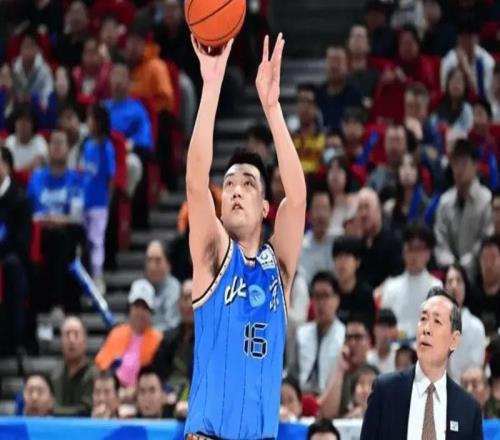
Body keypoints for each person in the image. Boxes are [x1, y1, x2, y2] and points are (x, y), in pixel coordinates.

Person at [184, 32, 306, 439]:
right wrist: (212, 84)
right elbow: (195, 182)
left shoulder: (278, 269)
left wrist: (272, 108)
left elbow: (298, 199)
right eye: (230, 184)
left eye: (248, 184)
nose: (236, 190)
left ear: (266, 208)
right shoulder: (213, 256)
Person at [360, 288, 483, 439]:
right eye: (423, 319)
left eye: (437, 321)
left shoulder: (469, 409)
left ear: (454, 340)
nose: (426, 329)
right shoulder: (384, 391)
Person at [434, 138, 492, 276]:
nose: (459, 169)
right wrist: (452, 265)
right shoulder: (445, 201)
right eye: (455, 164)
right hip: (449, 271)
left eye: (464, 163)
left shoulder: (486, 199)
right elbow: (440, 239)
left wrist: (465, 265)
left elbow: (486, 238)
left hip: (479, 271)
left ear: (475, 165)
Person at [95, 279, 163, 388]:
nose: (140, 312)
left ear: (151, 311)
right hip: (112, 389)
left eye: (145, 307)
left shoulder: (159, 339)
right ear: (129, 308)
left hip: (143, 392)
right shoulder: (116, 333)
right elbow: (101, 365)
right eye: (136, 306)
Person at [380, 222, 442, 339]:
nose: (414, 255)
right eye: (410, 248)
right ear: (403, 252)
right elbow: (384, 327)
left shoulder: (436, 287)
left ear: (428, 253)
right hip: (396, 346)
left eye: (419, 249)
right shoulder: (391, 286)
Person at [0, 146, 32, 356]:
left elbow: (22, 242)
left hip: (10, 258)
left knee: (13, 266)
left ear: (6, 166)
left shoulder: (19, 198)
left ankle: (15, 341)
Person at [81, 103, 116, 291]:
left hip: (99, 203)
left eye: (91, 118)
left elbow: (111, 177)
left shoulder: (107, 147)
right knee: (86, 243)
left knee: (97, 241)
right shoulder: (87, 146)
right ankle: (86, 280)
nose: (88, 122)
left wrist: (107, 201)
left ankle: (98, 277)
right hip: (84, 202)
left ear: (99, 121)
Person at [294, 271, 345, 395]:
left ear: (337, 300)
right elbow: (292, 372)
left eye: (325, 296)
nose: (320, 303)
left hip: (330, 397)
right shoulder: (301, 334)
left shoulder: (344, 336)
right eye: (316, 296)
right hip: (301, 396)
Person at [151, 278, 194, 405]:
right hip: (167, 397)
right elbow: (157, 372)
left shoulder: (211, 339)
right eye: (185, 298)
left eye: (193, 297)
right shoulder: (169, 338)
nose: (189, 304)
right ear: (179, 303)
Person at [445, 264, 485, 382]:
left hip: (467, 389)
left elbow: (475, 369)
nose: (454, 286)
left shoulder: (476, 327)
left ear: (465, 287)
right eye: (450, 281)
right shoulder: (435, 326)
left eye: (459, 280)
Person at [51, 316, 95, 416]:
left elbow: (87, 409)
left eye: (76, 334)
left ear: (85, 341)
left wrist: (54, 410)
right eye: (67, 335)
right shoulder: (55, 375)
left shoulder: (94, 374)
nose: (71, 340)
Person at [332, 236, 375, 330]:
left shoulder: (365, 294)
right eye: (338, 257)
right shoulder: (329, 291)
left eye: (347, 257)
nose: (342, 263)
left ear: (357, 262)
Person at [299, 189, 335, 285]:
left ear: (331, 212)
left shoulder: (338, 242)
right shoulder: (301, 246)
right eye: (317, 209)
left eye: (324, 208)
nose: (321, 215)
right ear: (310, 214)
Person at [145, 239, 181, 332]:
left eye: (158, 260)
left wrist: (147, 334)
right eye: (149, 260)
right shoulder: (142, 287)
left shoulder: (174, 288)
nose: (152, 266)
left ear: (168, 264)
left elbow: (172, 325)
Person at [367, 309, 398, 374]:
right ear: (374, 329)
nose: (386, 333)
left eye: (390, 328)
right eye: (383, 327)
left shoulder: (398, 355)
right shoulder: (368, 359)